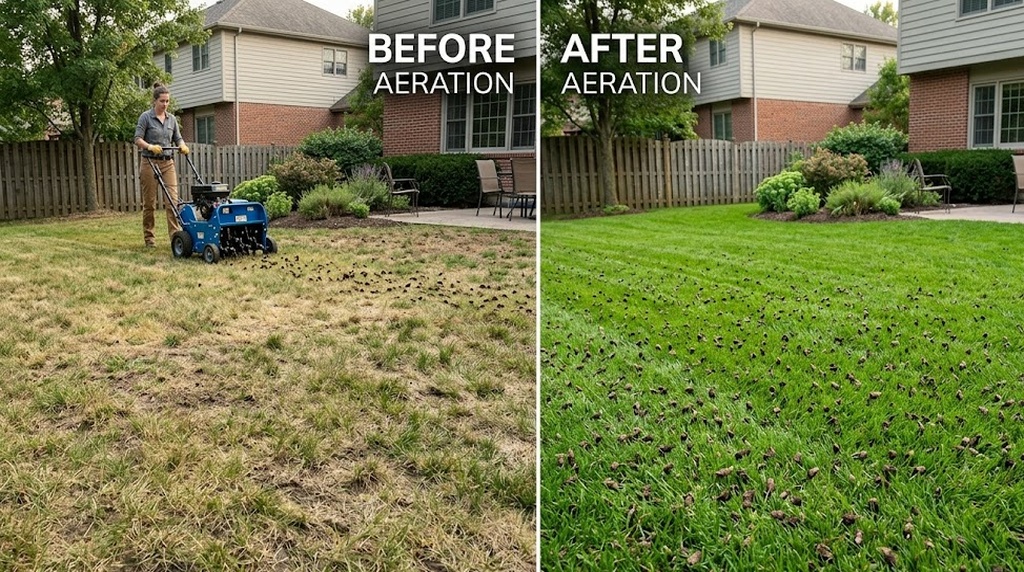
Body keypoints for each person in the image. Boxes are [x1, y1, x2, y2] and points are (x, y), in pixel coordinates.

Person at [134, 83, 189, 248]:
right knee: (149, 203)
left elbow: (177, 138)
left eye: (167, 101)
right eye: (162, 101)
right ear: (155, 101)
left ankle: (175, 237)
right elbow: (137, 139)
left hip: (167, 162)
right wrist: (150, 146)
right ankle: (149, 239)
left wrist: (182, 145)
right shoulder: (146, 117)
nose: (165, 104)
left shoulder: (172, 119)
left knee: (173, 201)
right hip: (149, 162)